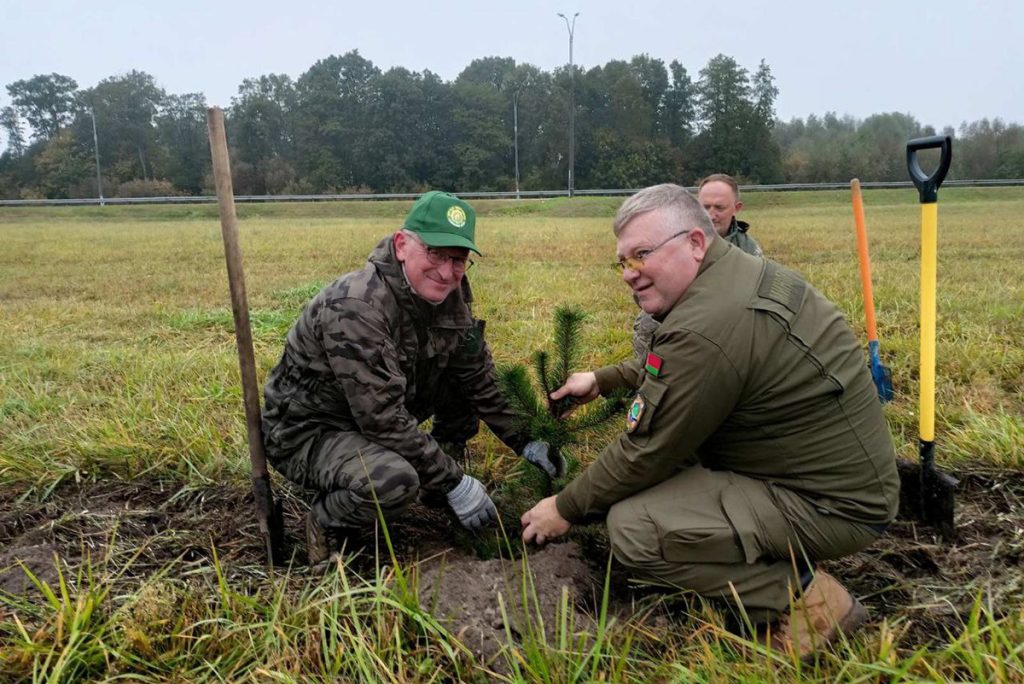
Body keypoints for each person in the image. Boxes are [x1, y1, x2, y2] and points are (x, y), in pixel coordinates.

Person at [521, 183, 899, 659]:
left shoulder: (708, 323)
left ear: (695, 243)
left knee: (634, 528)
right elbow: (699, 368)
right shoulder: (733, 278)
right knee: (658, 487)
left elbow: (647, 450)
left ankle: (804, 598)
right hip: (830, 477)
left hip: (833, 505)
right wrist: (604, 379)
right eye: (623, 261)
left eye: (642, 254)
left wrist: (565, 508)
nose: (629, 274)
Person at [263, 191, 559, 563]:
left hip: (374, 415)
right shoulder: (356, 307)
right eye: (436, 254)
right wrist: (456, 482)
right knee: (394, 482)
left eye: (459, 259)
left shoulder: (448, 296)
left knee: (460, 388)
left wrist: (529, 440)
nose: (447, 271)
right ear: (402, 245)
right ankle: (328, 519)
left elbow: (479, 379)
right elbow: (382, 418)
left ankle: (435, 491)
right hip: (309, 431)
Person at [632, 173, 762, 361]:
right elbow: (643, 288)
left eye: (719, 208)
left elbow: (756, 301)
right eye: (705, 206)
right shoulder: (670, 239)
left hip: (725, 322)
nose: (711, 214)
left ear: (736, 208)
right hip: (676, 315)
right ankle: (651, 379)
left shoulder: (749, 251)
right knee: (647, 324)